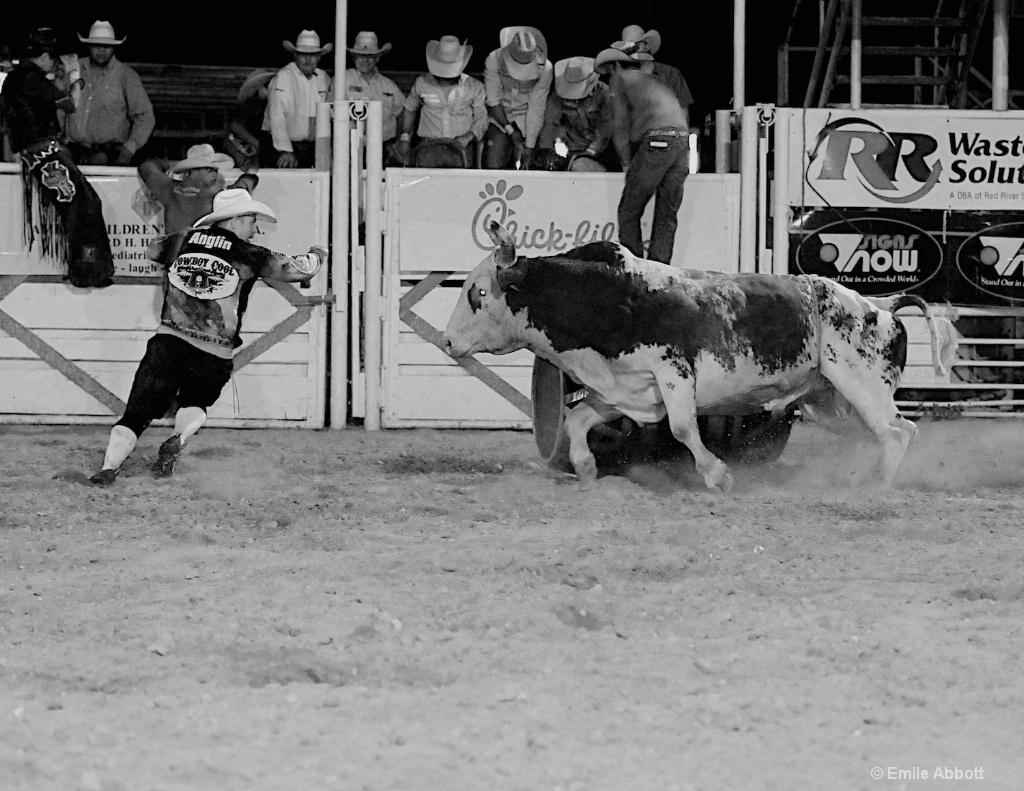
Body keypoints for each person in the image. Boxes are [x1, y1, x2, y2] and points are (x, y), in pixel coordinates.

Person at [88, 188, 327, 485]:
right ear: (236, 220)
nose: (256, 229)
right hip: (214, 351)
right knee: (195, 404)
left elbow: (152, 250)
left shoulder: (183, 240)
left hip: (169, 341)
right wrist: (319, 253)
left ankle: (109, 467)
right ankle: (178, 436)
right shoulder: (248, 253)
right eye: (252, 220)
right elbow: (297, 270)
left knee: (136, 414)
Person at [0, 27, 114, 288]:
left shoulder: (17, 79)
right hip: (44, 152)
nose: (53, 63)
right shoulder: (30, 78)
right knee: (85, 205)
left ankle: (85, 269)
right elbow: (70, 103)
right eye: (51, 58)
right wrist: (74, 73)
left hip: (36, 151)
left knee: (81, 204)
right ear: (43, 56)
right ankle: (87, 271)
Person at [596, 46, 690, 265]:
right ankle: (660, 270)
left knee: (629, 210)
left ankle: (634, 269)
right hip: (681, 142)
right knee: (666, 213)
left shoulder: (619, 80)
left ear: (617, 66)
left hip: (658, 142)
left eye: (610, 69)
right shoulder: (654, 81)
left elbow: (620, 127)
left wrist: (627, 164)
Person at [64, 21, 154, 166]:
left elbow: (145, 116)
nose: (101, 50)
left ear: (114, 48)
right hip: (72, 151)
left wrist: (129, 149)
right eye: (96, 45)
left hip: (110, 154)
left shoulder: (126, 75)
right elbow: (59, 107)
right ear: (88, 46)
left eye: (106, 46)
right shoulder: (73, 69)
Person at [398, 35, 486, 168]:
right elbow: (410, 108)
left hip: (461, 145)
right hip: (428, 145)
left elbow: (482, 118)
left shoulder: (475, 86)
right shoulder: (422, 83)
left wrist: (468, 137)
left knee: (459, 185)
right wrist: (404, 137)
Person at [137, 143, 259, 234]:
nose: (214, 174)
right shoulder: (217, 196)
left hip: (175, 261)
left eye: (215, 170)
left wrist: (167, 164)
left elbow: (147, 168)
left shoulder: (170, 189)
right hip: (203, 260)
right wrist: (246, 178)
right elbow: (250, 181)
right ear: (194, 169)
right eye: (209, 169)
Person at [482, 26, 552, 170]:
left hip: (529, 120)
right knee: (493, 162)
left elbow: (537, 107)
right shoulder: (494, 59)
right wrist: (511, 130)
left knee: (530, 165)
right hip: (500, 119)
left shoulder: (545, 68)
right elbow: (493, 101)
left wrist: (529, 145)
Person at [262, 30, 333, 169]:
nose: (308, 59)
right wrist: (286, 150)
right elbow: (277, 116)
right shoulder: (283, 77)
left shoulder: (324, 78)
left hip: (312, 148)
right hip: (281, 147)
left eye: (312, 55)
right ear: (295, 55)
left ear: (319, 57)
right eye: (303, 54)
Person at [536, 56, 614, 172]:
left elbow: (605, 129)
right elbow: (550, 124)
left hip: (602, 153)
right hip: (571, 148)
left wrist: (589, 153)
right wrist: (546, 149)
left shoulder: (605, 95)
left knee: (580, 166)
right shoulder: (557, 96)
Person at [344, 31, 405, 166]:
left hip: (384, 150)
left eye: (370, 56)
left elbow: (402, 113)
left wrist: (397, 142)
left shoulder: (389, 86)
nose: (365, 60)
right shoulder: (342, 80)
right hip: (350, 149)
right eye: (361, 55)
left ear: (377, 58)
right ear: (353, 56)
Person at [611, 25, 694, 113]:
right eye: (629, 48)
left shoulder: (671, 73)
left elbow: (684, 112)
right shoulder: (624, 78)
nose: (633, 51)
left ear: (647, 46)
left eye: (637, 45)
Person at [226, 69, 276, 172]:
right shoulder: (252, 104)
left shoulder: (269, 106)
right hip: (245, 151)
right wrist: (257, 143)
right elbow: (235, 125)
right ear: (261, 89)